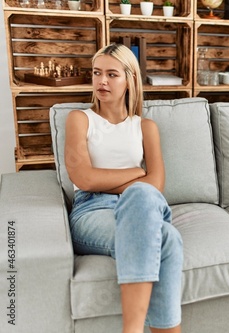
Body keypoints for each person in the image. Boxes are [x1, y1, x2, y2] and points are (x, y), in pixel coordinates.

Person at [64, 43, 183, 333]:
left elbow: (156, 184)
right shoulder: (80, 119)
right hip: (92, 209)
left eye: (112, 74)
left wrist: (137, 182)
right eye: (96, 73)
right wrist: (135, 172)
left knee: (142, 194)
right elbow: (85, 179)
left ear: (129, 79)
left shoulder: (145, 127)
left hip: (139, 206)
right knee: (167, 237)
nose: (101, 81)